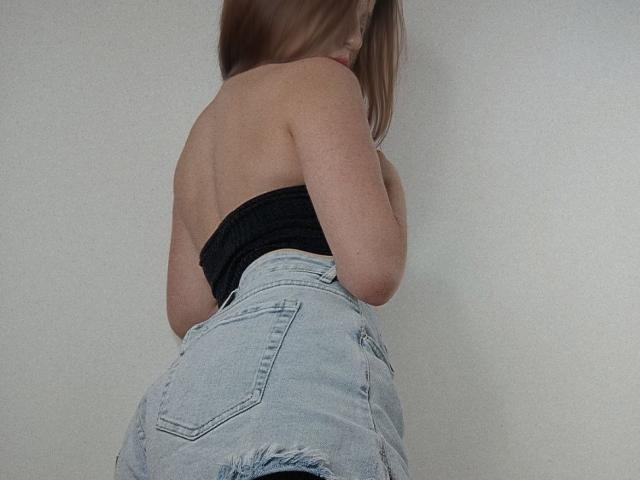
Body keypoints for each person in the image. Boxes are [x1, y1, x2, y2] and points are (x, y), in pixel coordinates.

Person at [115, 0, 409, 478]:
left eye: (363, 24)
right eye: (346, 15)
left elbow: (188, 311)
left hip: (181, 398)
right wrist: (391, 185)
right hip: (292, 373)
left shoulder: (201, 133)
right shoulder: (321, 80)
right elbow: (373, 271)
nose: (356, 39)